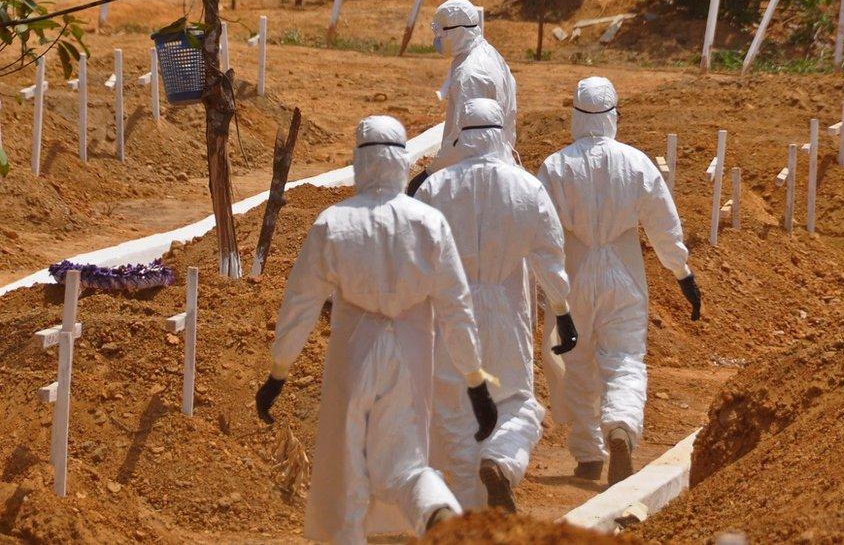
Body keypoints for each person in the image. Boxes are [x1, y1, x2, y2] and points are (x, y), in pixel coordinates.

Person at [254, 116, 498, 544]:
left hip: (353, 354)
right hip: (413, 354)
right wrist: (474, 379)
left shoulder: (334, 223)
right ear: (401, 162)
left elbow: (300, 304)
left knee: (345, 472)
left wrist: (279, 370)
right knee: (407, 465)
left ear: (359, 162)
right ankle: (438, 513)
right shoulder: (429, 223)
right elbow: (457, 309)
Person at [536, 77, 702, 486]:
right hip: (624, 273)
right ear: (613, 116)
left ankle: (588, 454)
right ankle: (621, 427)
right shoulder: (636, 163)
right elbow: (664, 226)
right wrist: (682, 273)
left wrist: (541, 286)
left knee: (576, 362)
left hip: (574, 273)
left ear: (575, 114)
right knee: (625, 359)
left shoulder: (555, 167)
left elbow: (541, 232)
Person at [415, 98, 578, 513]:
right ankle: (502, 461)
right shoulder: (527, 187)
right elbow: (550, 261)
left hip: (451, 312)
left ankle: (473, 514)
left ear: (461, 135)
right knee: (518, 402)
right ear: (501, 132)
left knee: (456, 412)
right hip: (505, 310)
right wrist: (562, 311)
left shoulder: (435, 188)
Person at [406, 0, 517, 196]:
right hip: (498, 161)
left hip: (471, 175)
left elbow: (465, 134)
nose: (438, 38)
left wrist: (431, 173)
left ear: (457, 31)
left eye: (442, 32)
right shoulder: (488, 54)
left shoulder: (470, 74)